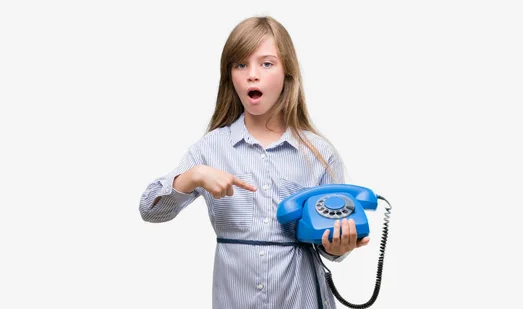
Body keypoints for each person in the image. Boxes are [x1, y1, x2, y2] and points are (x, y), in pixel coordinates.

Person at [139, 15, 370, 309]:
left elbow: (334, 248)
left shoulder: (319, 153)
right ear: (230, 76)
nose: (252, 75)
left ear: (288, 73)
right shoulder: (210, 148)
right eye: (240, 64)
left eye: (267, 63)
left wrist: (338, 246)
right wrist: (193, 176)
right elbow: (149, 210)